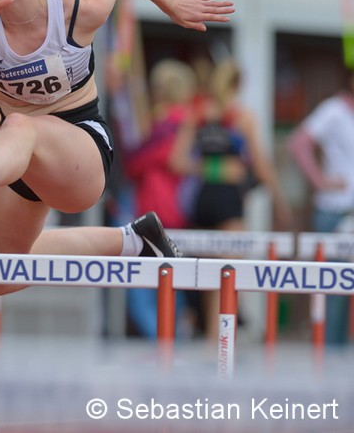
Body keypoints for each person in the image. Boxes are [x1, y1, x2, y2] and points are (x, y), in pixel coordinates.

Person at [0, 0, 234, 296]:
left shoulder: (79, 6)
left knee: (21, 124)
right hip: (15, 159)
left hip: (80, 152)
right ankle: (132, 241)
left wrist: (170, 2)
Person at [170, 58, 292, 339]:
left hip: (202, 200)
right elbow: (262, 167)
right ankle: (219, 342)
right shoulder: (241, 117)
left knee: (205, 277)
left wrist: (209, 168)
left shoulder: (197, 114)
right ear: (237, 85)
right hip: (227, 202)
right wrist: (281, 202)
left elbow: (177, 161)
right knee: (228, 276)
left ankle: (206, 341)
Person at [122, 59, 197, 338]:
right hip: (159, 205)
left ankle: (164, 343)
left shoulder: (173, 121)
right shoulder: (166, 120)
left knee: (147, 284)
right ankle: (167, 342)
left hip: (161, 207)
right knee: (163, 279)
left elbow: (144, 161)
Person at [288, 70, 354, 346]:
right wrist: (320, 181)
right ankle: (328, 368)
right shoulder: (334, 110)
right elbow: (298, 143)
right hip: (336, 211)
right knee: (334, 296)